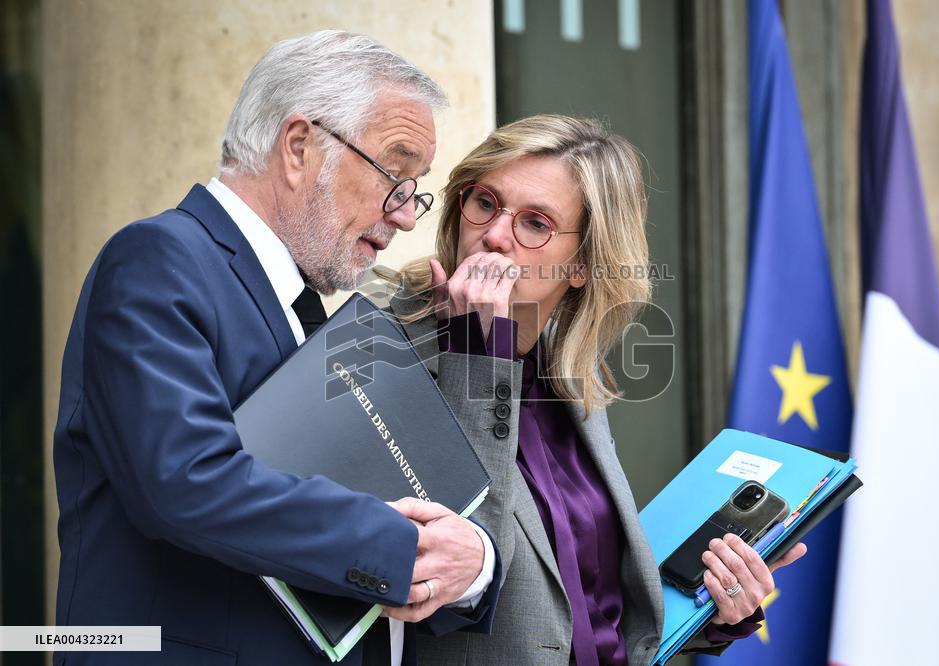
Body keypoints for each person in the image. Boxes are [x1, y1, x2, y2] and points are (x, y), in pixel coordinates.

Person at [52, 30, 500, 666]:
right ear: (299, 147)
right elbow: (188, 481)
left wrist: (471, 564)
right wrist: (408, 552)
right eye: (394, 175)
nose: (405, 215)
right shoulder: (159, 259)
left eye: (414, 188)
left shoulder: (309, 311)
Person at [384, 115, 808, 664]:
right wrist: (475, 351)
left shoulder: (565, 372)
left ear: (583, 264)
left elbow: (590, 604)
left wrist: (717, 607)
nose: (492, 235)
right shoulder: (384, 348)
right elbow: (443, 576)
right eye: (485, 202)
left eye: (535, 223)